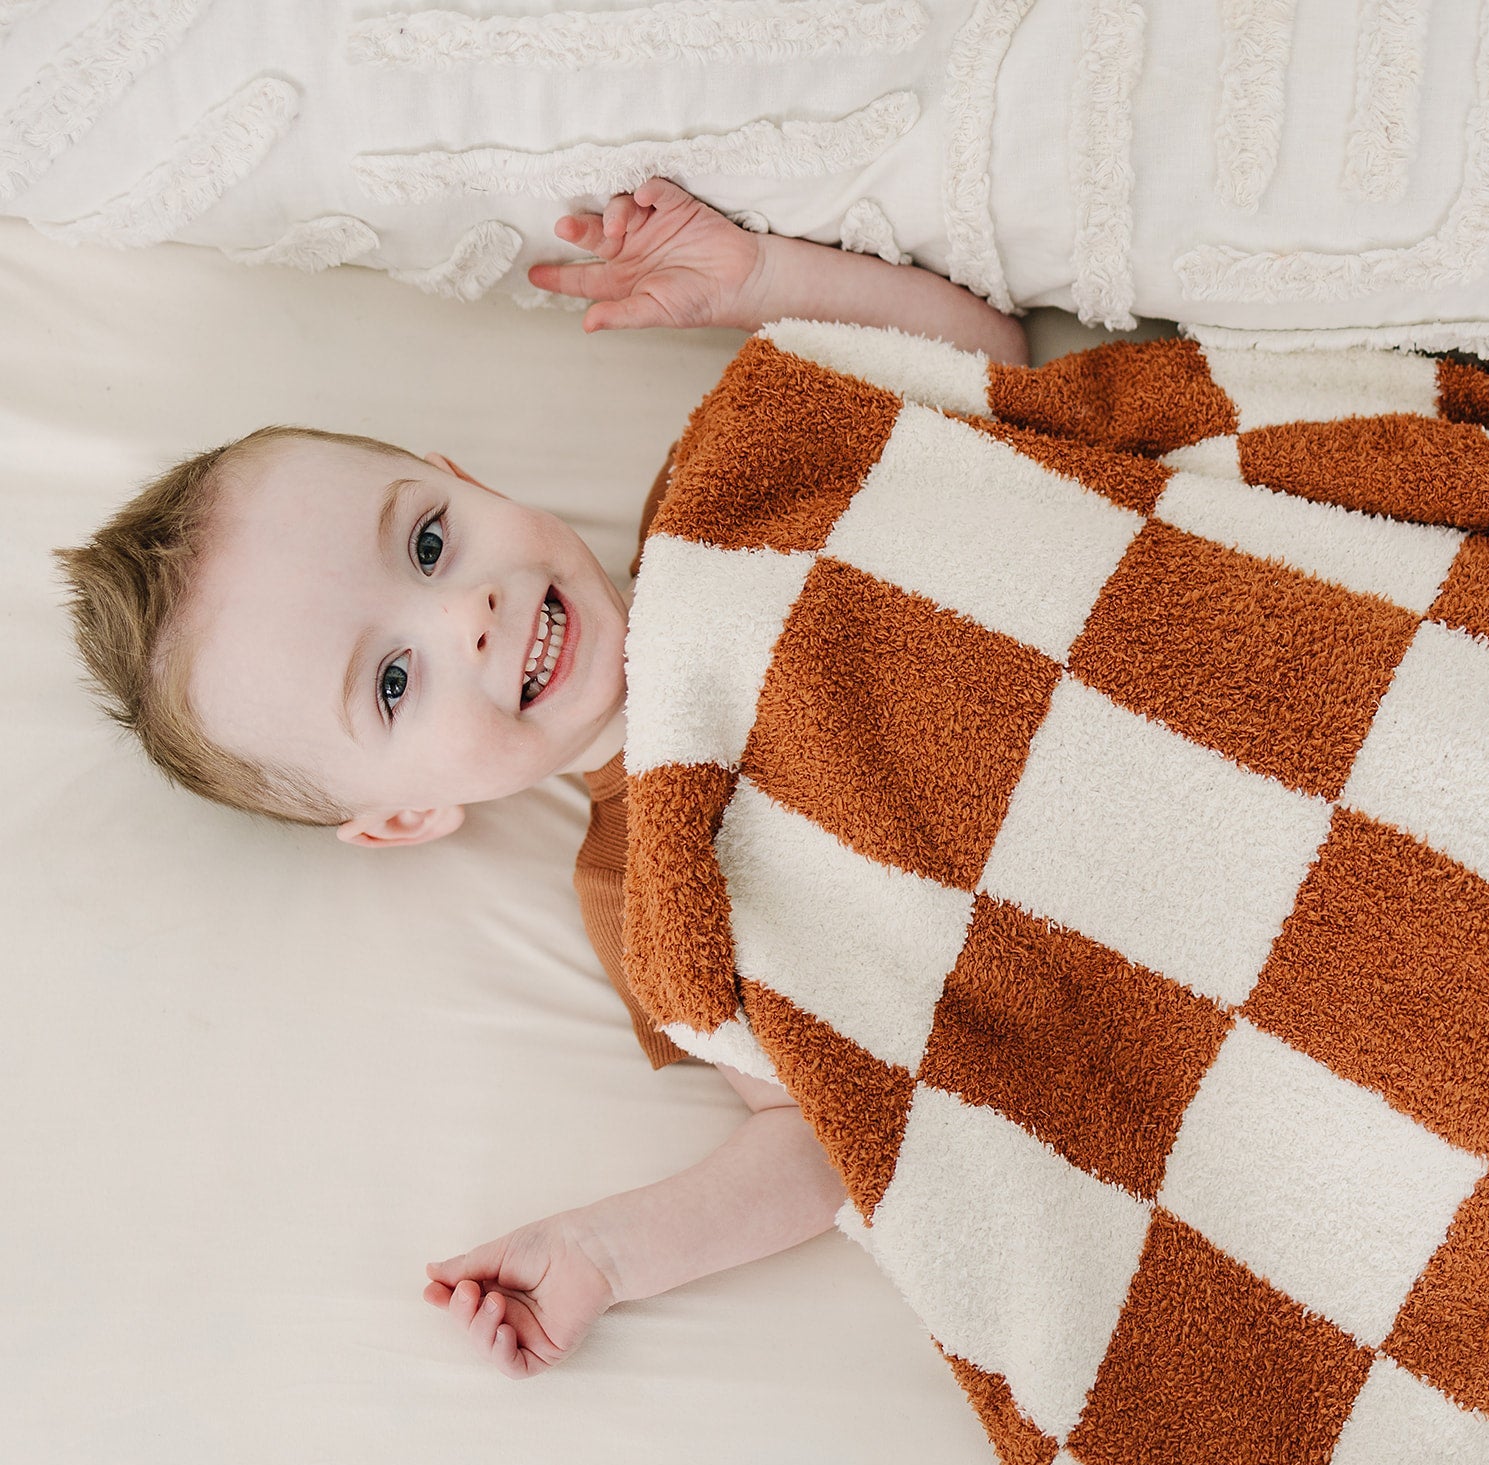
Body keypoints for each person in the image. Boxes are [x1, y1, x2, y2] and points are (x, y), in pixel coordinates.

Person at [56, 178, 1028, 1378]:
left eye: (427, 542)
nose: (467, 615)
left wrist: (769, 284)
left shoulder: (736, 488)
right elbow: (828, 1128)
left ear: (467, 477)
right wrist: (609, 1254)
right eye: (393, 683)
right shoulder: (648, 894)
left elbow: (988, 373)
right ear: (406, 814)